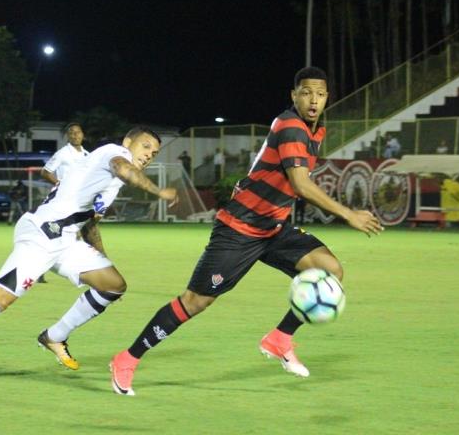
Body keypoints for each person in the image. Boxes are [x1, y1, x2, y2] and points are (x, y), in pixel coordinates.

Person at [109, 67, 383, 396]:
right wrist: (348, 214)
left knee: (331, 269)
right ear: (293, 95)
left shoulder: (317, 129)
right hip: (239, 228)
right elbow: (300, 184)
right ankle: (127, 358)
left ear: (327, 98)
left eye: (320, 94)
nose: (313, 100)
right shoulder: (290, 126)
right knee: (195, 302)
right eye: (306, 92)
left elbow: (289, 184)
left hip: (274, 227)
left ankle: (280, 338)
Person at [0, 126, 178, 390]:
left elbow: (89, 225)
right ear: (128, 142)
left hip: (65, 240)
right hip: (42, 234)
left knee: (113, 284)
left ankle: (54, 337)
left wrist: (102, 259)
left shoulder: (110, 181)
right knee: (0, 298)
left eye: (154, 153)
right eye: (145, 147)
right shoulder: (114, 153)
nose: (149, 155)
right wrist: (158, 192)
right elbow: (125, 168)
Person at [38, 122, 89, 282]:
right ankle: (40, 268)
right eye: (72, 133)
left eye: (78, 132)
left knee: (74, 235)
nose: (75, 135)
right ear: (68, 136)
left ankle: (78, 271)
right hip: (63, 201)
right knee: (59, 234)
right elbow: (45, 172)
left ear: (83, 135)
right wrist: (60, 184)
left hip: (80, 201)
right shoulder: (63, 153)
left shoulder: (87, 155)